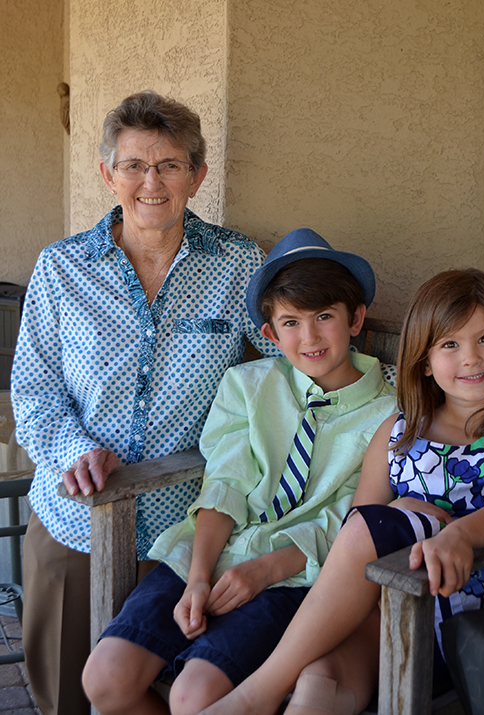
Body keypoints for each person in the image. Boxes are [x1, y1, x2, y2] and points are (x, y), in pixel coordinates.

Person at [11, 89, 279, 715]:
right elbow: (35, 390)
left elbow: (278, 374)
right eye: (133, 164)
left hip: (189, 535)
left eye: (169, 165)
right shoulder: (60, 267)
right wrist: (75, 452)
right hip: (78, 521)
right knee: (65, 692)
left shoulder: (241, 264)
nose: (150, 181)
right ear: (108, 174)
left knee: (167, 690)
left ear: (197, 176)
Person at [197, 268, 484, 715]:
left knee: (385, 521)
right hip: (383, 607)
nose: (470, 359)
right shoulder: (398, 432)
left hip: (469, 610)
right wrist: (400, 512)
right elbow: (359, 526)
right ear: (424, 360)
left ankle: (255, 695)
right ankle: (268, 693)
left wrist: (459, 535)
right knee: (318, 681)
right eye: (449, 344)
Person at [81, 227, 397, 715]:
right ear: (269, 333)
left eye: (324, 317)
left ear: (355, 319)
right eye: (290, 322)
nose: (308, 337)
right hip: (209, 553)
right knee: (105, 680)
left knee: (194, 696)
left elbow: (351, 518)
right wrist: (199, 577)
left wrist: (264, 569)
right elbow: (225, 483)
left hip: (298, 577)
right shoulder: (247, 385)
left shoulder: (390, 413)